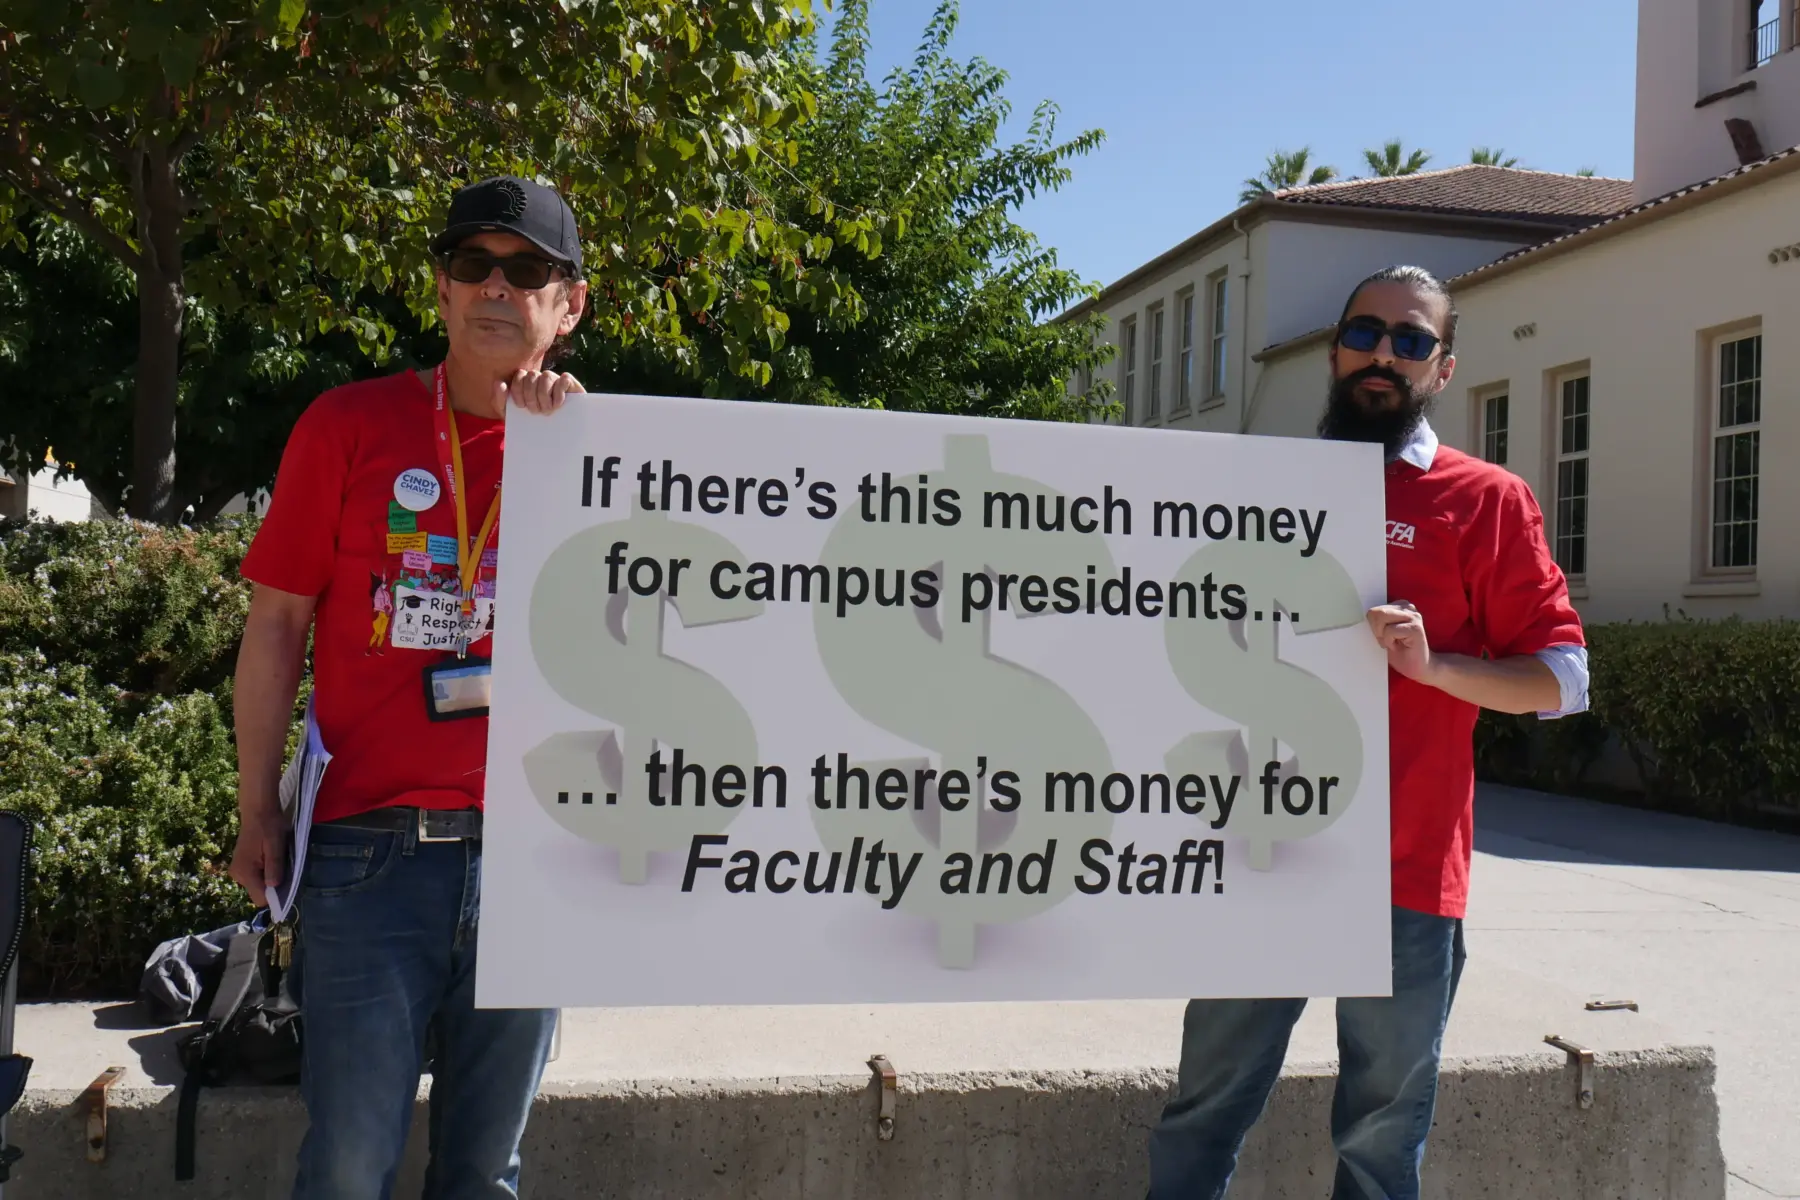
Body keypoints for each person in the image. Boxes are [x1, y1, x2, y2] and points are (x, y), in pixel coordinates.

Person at [1147, 265, 1588, 1200]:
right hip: (1262, 855)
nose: (1384, 353)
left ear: (1444, 367)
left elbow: (1561, 680)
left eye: (1412, 339)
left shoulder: (1487, 500)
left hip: (1408, 874)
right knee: (1202, 1112)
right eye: (1366, 332)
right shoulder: (1249, 489)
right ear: (1336, 347)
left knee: (1381, 1144)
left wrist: (1435, 670)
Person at [228, 175, 589, 1199]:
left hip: (537, 856)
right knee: (346, 1167)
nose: (494, 288)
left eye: (526, 271)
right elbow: (277, 626)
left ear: (569, 305)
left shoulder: (602, 456)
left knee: (486, 1173)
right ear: (439, 288)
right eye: (472, 264)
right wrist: (258, 806)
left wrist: (594, 448)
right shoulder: (347, 424)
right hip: (365, 854)